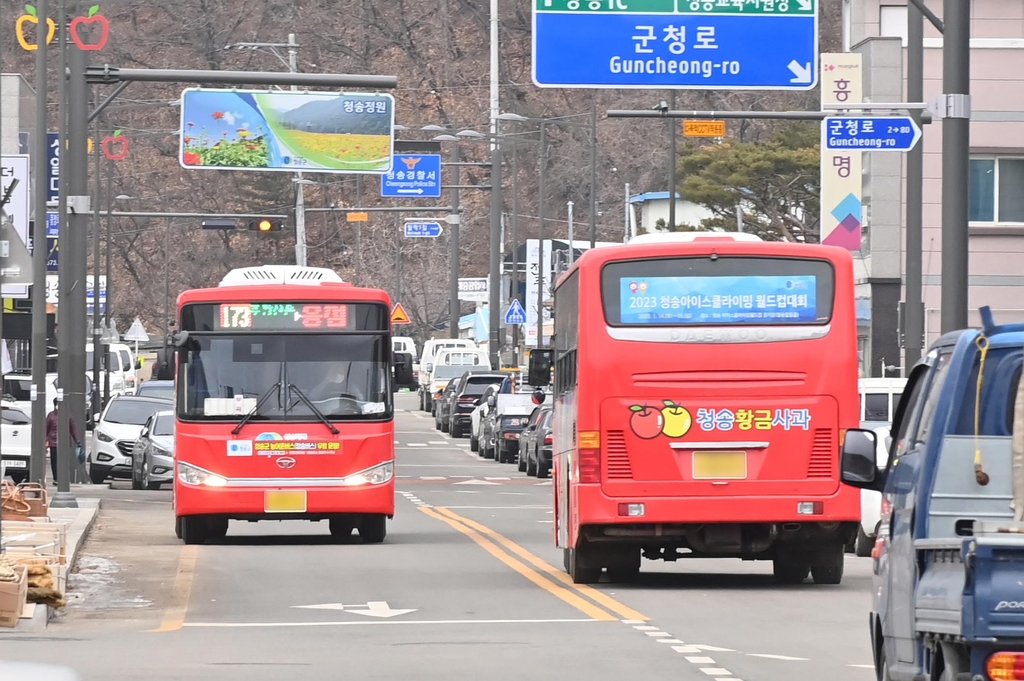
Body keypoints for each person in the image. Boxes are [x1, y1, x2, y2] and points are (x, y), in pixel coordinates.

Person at [45, 399, 82, 485]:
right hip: (53, 443)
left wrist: (77, 441)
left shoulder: (67, 415)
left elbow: (73, 430)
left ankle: (62, 478)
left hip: (64, 443)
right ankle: (56, 478)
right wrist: (45, 441)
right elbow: (46, 429)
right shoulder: (51, 415)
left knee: (63, 461)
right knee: (54, 461)